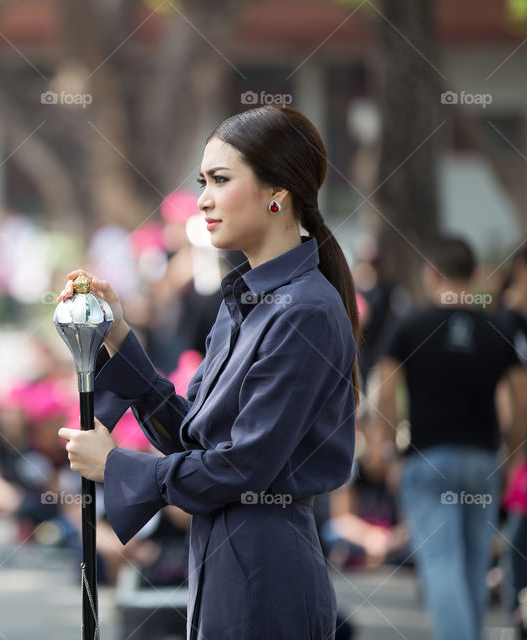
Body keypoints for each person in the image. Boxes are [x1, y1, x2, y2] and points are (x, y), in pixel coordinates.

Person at [58, 104, 360, 638]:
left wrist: (118, 468)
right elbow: (196, 440)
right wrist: (120, 340)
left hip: (269, 569)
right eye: (203, 181)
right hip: (220, 557)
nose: (202, 200)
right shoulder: (243, 301)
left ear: (278, 192)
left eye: (220, 180)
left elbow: (245, 466)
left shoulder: (307, 311)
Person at [375, 236, 527, 640]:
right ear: (475, 275)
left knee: (441, 565)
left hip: (427, 460)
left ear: (432, 274)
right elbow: (521, 393)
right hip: (482, 462)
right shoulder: (497, 329)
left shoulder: (410, 326)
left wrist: (388, 450)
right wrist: (513, 456)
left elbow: (385, 388)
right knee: (474, 568)